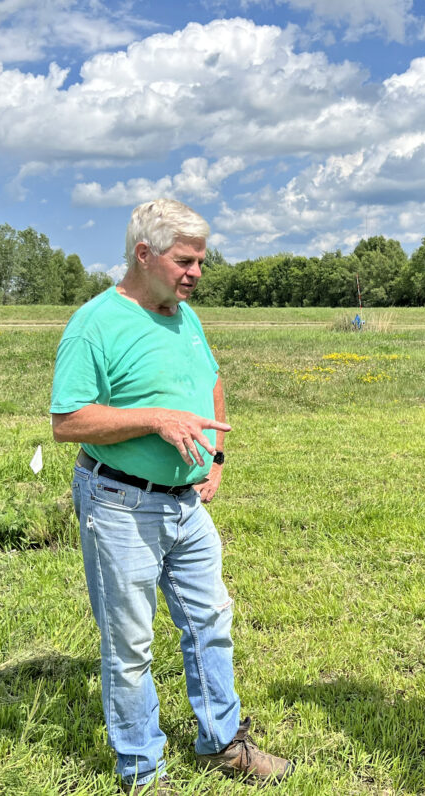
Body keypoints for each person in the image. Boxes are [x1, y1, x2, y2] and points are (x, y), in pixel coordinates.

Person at [50, 198, 293, 793]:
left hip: (187, 504)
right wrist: (154, 418)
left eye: (201, 261)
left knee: (210, 622)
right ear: (144, 254)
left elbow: (211, 381)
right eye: (185, 261)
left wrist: (216, 458)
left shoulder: (185, 317)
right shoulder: (95, 324)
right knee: (130, 644)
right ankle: (143, 770)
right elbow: (68, 421)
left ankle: (222, 744)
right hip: (120, 502)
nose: (196, 273)